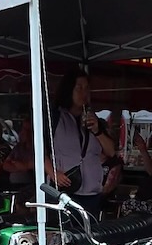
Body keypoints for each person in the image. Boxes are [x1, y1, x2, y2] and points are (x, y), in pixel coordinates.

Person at [48, 69, 116, 217]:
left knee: (89, 228)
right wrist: (53, 173)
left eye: (87, 88)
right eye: (79, 88)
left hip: (92, 192)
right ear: (69, 90)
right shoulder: (55, 118)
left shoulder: (95, 120)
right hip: (65, 189)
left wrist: (97, 130)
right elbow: (39, 151)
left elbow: (111, 152)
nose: (84, 93)